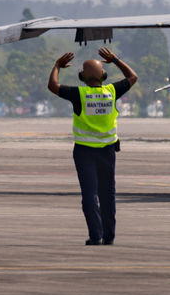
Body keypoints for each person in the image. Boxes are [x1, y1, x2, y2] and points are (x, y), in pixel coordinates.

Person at [48, 47, 138, 245]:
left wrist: (57, 66)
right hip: (107, 151)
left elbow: (53, 86)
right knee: (108, 195)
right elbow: (132, 77)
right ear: (103, 75)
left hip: (84, 152)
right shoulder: (112, 91)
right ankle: (109, 236)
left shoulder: (78, 94)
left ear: (81, 76)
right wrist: (115, 59)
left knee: (89, 195)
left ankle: (95, 235)